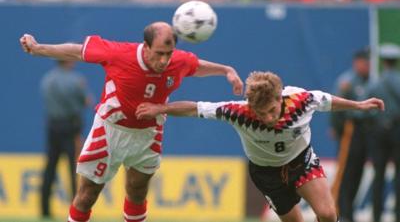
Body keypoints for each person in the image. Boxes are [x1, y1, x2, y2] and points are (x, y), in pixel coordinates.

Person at [19, 21, 243, 222]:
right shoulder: (120, 54)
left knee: (137, 191)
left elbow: (196, 65)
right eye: (159, 53)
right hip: (110, 131)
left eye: (169, 53)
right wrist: (39, 49)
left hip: (148, 134)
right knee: (87, 195)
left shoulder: (177, 61)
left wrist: (227, 71)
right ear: (145, 47)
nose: (164, 60)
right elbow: (78, 51)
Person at [135, 71, 384, 222]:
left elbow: (329, 102)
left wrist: (359, 105)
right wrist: (160, 108)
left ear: (280, 97)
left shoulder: (302, 100)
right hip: (267, 174)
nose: (267, 118)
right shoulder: (238, 112)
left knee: (328, 214)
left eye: (272, 110)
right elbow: (195, 107)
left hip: (301, 161)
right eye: (261, 113)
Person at [40, 59, 91, 218]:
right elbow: (86, 101)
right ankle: (76, 209)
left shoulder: (47, 79)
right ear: (68, 61)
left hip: (53, 126)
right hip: (71, 128)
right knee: (74, 169)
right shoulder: (75, 80)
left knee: (50, 168)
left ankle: (45, 210)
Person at [329, 48, 372, 222]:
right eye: (364, 62)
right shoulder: (347, 82)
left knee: (358, 173)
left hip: (364, 133)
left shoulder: (369, 81)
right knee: (345, 174)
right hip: (350, 131)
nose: (367, 66)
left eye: (368, 62)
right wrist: (337, 129)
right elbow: (335, 106)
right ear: (357, 63)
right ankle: (340, 213)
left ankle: (349, 212)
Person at [368, 43, 400, 222]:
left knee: (378, 174)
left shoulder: (376, 82)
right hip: (398, 132)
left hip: (379, 132)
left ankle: (376, 216)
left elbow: (366, 106)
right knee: (399, 176)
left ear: (383, 61)